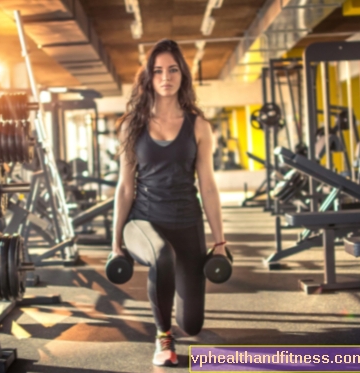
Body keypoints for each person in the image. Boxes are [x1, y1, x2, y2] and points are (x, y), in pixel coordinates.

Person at [111, 39, 227, 367]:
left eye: (173, 69)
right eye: (158, 70)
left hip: (187, 223)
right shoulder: (132, 125)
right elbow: (124, 188)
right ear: (148, 78)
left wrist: (219, 242)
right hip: (143, 220)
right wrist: (115, 241)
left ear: (182, 76)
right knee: (161, 256)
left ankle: (176, 312)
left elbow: (208, 186)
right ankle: (163, 337)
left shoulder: (199, 126)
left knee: (192, 325)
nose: (166, 76)